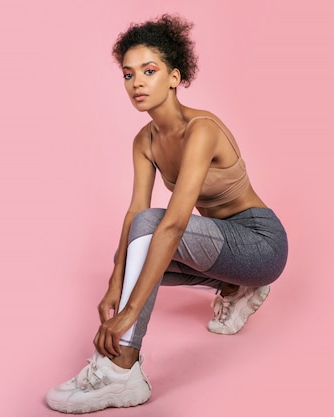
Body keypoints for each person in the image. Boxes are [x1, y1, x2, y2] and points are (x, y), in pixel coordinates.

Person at [45, 14, 288, 414]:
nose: (137, 82)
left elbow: (172, 223)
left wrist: (128, 313)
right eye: (128, 74)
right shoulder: (145, 140)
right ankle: (232, 288)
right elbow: (134, 214)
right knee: (130, 249)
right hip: (216, 248)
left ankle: (122, 367)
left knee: (152, 229)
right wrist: (113, 284)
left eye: (149, 70)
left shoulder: (201, 129)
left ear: (174, 77)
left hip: (261, 245)